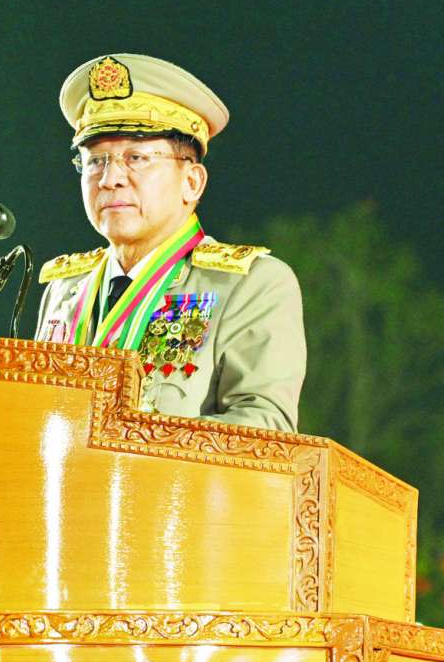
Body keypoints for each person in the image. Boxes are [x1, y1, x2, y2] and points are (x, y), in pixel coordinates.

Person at [35, 53, 307, 432]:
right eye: (95, 161)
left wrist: (131, 448)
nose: (110, 179)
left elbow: (266, 428)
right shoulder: (64, 289)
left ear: (191, 182)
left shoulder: (249, 285)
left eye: (136, 157)